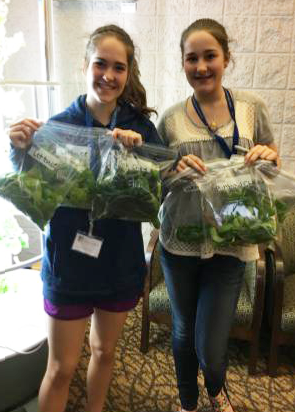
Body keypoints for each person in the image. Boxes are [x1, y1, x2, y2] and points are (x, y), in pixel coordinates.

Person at [9, 25, 162, 412]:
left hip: (118, 263)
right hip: (69, 264)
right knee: (60, 369)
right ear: (85, 65)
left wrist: (140, 155)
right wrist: (20, 151)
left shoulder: (140, 127)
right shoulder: (60, 125)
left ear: (128, 73)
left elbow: (160, 190)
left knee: (104, 353)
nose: (108, 75)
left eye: (118, 67)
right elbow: (32, 191)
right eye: (100, 64)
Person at [157, 18, 279, 412]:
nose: (201, 66)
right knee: (181, 330)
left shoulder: (250, 108)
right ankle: (190, 402)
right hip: (180, 241)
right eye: (192, 58)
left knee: (210, 343)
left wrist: (270, 158)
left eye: (210, 56)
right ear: (183, 63)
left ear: (227, 57)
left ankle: (214, 387)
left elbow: (271, 166)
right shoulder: (171, 119)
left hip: (231, 241)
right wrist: (173, 171)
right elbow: (156, 183)